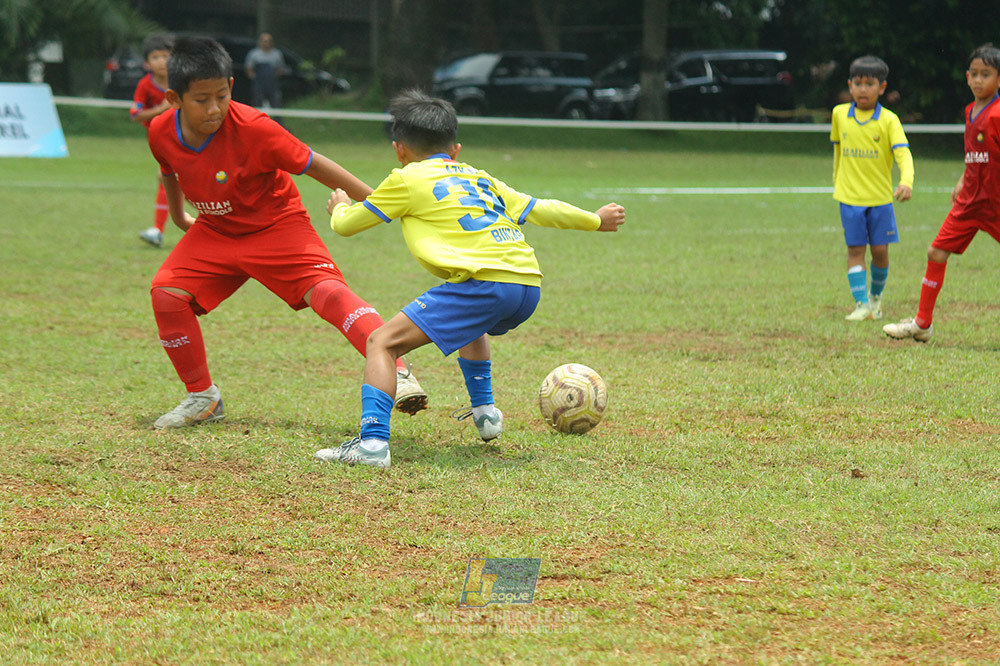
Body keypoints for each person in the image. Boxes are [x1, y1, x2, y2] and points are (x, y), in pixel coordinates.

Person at [314, 89, 626, 469]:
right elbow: (540, 208)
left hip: (485, 285)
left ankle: (372, 445)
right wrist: (595, 220)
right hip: (526, 284)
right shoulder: (481, 178)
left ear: (399, 149)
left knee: (381, 342)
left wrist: (340, 207)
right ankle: (486, 415)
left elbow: (347, 227)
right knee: (470, 324)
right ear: (455, 149)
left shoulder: (405, 178)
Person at [145, 36, 426, 429]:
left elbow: (316, 165)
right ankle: (203, 398)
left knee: (327, 292)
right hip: (216, 231)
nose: (214, 108)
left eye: (222, 95)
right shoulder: (159, 130)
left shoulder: (255, 128)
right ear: (174, 98)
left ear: (231, 86)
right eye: (201, 99)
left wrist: (382, 203)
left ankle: (395, 368)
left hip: (277, 226)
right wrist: (177, 216)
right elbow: (168, 170)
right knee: (166, 295)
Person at [884, 45, 1000, 343]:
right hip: (970, 203)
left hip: (995, 203)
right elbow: (976, 151)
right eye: (973, 74)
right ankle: (922, 324)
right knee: (936, 252)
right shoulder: (969, 111)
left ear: (998, 79)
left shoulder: (998, 114)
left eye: (985, 75)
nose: (978, 80)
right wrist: (964, 178)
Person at [830, 55, 914, 321]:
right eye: (857, 83)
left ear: (882, 87)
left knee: (880, 252)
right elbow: (837, 153)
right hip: (849, 197)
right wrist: (837, 183)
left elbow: (903, 155)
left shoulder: (889, 120)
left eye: (869, 84)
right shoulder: (839, 115)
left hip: (879, 199)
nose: (862, 89)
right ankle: (861, 304)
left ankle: (876, 299)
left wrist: (906, 181)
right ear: (849, 85)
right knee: (855, 250)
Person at [130, 33, 174, 248]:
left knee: (166, 178)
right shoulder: (145, 85)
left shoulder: (181, 82)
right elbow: (135, 115)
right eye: (156, 57)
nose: (162, 61)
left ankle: (158, 230)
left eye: (165, 56)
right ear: (147, 63)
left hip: (184, 139)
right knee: (174, 184)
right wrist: (160, 109)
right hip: (160, 142)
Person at [244, 32, 286, 110]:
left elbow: (280, 68)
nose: (267, 43)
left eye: (269, 41)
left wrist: (274, 76)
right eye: (265, 41)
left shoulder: (277, 54)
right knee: (257, 105)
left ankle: (277, 121)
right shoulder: (254, 54)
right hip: (259, 83)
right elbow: (249, 68)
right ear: (260, 42)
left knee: (276, 104)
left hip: (273, 84)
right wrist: (254, 77)